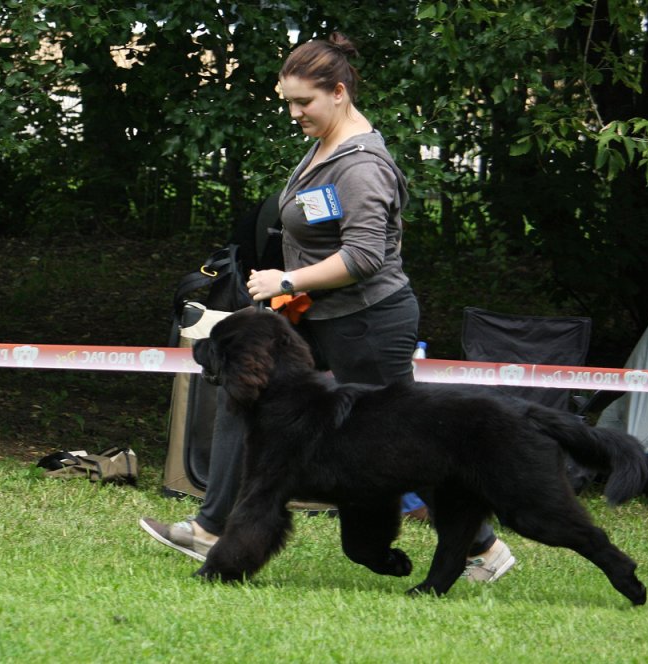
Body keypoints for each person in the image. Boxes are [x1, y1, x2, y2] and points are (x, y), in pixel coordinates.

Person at [140, 33, 514, 584]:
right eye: (288, 102)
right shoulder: (325, 145)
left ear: (338, 92)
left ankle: (484, 547)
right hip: (314, 315)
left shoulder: (362, 166)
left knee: (410, 443)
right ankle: (212, 527)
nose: (294, 113)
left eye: (303, 102)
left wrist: (287, 278)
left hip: (368, 322)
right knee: (244, 392)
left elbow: (363, 256)